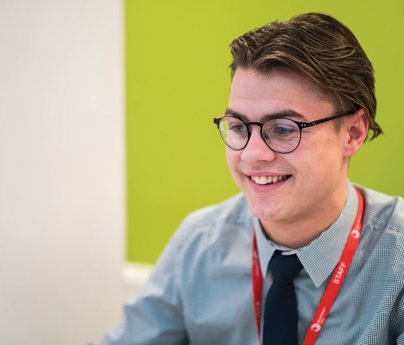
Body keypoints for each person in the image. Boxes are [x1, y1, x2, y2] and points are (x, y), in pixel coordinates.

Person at [93, 12, 404, 345]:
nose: (253, 154)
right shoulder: (199, 244)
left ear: (354, 132)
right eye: (239, 127)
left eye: (283, 129)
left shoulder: (396, 262)